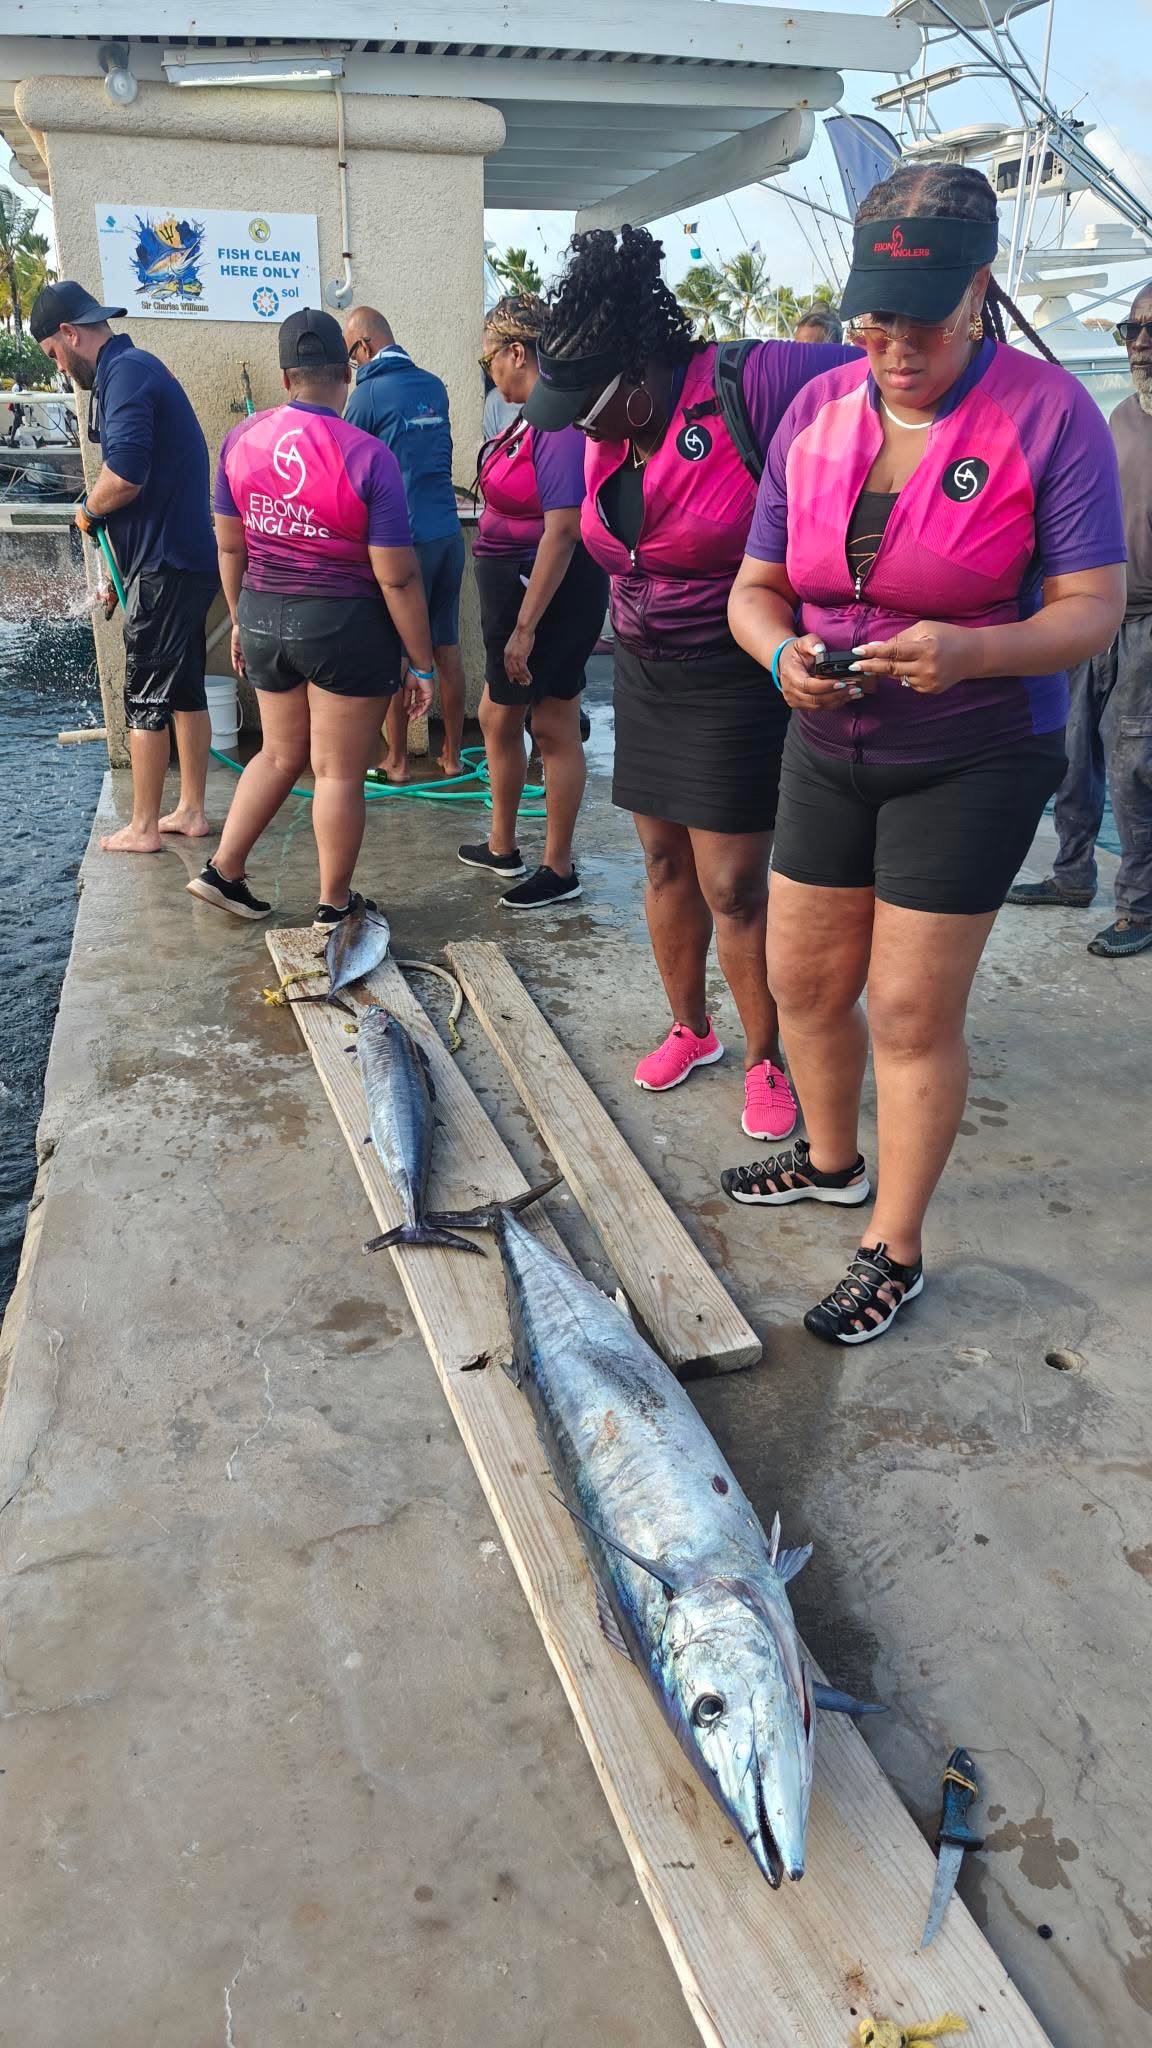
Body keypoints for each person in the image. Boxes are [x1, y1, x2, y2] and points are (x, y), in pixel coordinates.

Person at [723, 162, 1126, 1345]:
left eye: (926, 317)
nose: (897, 344)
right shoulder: (814, 414)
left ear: (979, 290)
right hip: (825, 733)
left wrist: (974, 649)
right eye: (875, 319)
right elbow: (755, 588)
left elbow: (1091, 608)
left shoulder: (1050, 414)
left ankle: (892, 1244)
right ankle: (834, 1156)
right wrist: (777, 653)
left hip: (976, 746)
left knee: (906, 1007)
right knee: (804, 982)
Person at [524, 227, 856, 1136]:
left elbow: (880, 380)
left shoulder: (748, 380)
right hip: (642, 671)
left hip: (736, 673)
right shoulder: (605, 427)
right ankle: (692, 1027)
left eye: (588, 409)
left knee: (735, 887)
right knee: (663, 862)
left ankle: (767, 1058)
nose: (579, 427)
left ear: (639, 372)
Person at [187, 308, 434, 926]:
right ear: (346, 373)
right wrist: (423, 663)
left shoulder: (241, 440)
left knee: (276, 754)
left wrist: (242, 619)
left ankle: (224, 869)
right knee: (338, 772)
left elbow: (230, 545)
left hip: (266, 614)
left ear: (284, 377)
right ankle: (335, 906)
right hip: (344, 625)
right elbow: (397, 575)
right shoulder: (369, 455)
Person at [30, 280, 219, 854]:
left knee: (145, 694)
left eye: (55, 356)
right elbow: (142, 486)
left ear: (70, 334)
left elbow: (126, 478)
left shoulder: (127, 374)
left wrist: (84, 510)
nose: (61, 369)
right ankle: (189, 811)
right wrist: (115, 575)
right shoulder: (127, 372)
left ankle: (143, 826)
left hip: (167, 566)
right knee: (184, 689)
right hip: (177, 560)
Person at [1007, 280, 1152, 957]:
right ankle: (1071, 875)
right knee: (1070, 757)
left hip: (1147, 628)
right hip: (1090, 618)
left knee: (1132, 768)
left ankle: (1140, 906)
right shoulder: (1118, 417)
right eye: (1132, 329)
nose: (1142, 343)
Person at [458, 293, 608, 910]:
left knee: (551, 725)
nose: (488, 370)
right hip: (512, 590)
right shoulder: (525, 414)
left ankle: (558, 865)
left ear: (518, 352)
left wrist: (524, 629)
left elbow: (564, 529)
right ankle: (503, 846)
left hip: (549, 596)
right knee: (497, 716)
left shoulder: (558, 422)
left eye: (489, 358)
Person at [343, 307, 466, 779]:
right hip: (446, 536)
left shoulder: (367, 394)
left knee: (394, 652)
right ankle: (452, 756)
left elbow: (348, 476)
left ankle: (396, 761)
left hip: (399, 546)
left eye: (352, 354)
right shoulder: (434, 386)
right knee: (446, 647)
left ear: (364, 347)